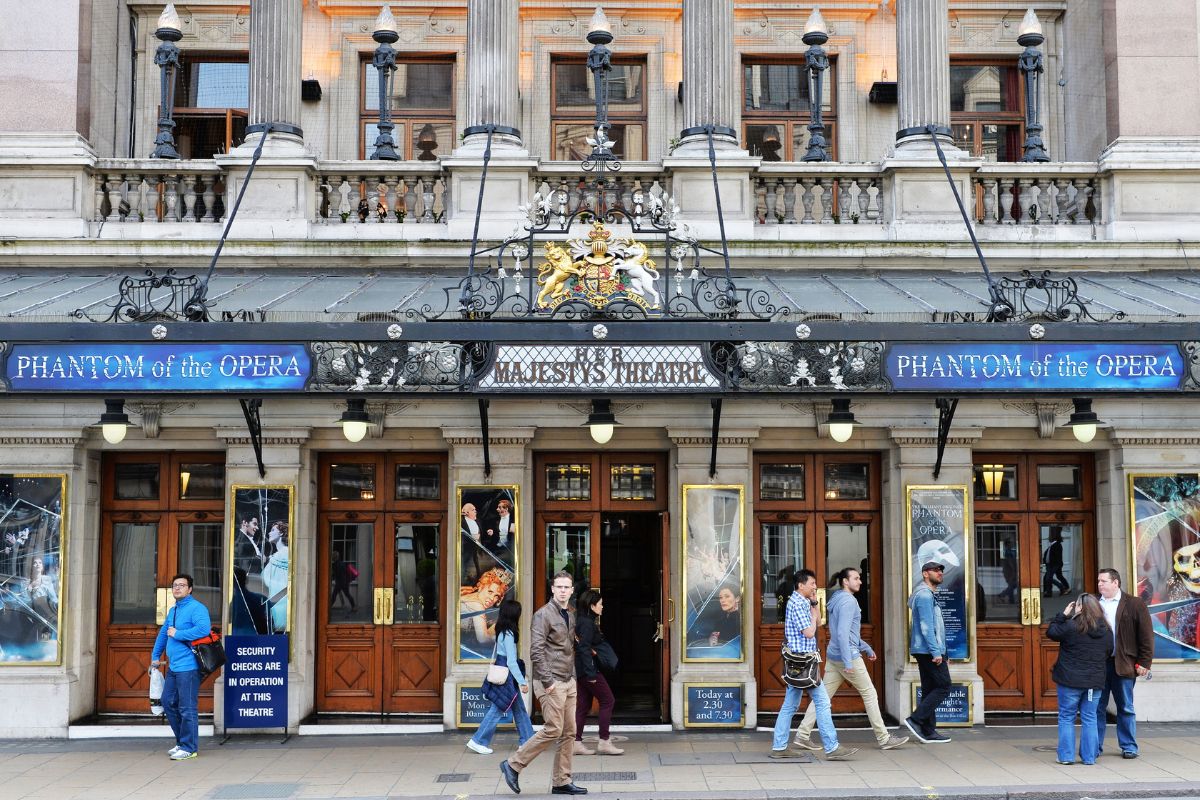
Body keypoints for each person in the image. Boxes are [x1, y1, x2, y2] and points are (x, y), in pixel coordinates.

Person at [794, 568, 908, 751]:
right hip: (848, 656)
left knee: (822, 697)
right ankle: (884, 738)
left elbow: (845, 632)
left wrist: (866, 647)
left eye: (859, 578)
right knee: (870, 694)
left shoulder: (838, 598)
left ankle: (802, 734)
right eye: (856, 578)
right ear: (845, 582)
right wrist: (848, 661)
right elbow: (843, 633)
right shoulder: (848, 601)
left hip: (834, 655)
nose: (860, 581)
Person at [500, 571, 587, 796]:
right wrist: (548, 682)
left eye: (566, 587)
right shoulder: (543, 615)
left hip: (568, 680)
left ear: (572, 590)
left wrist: (574, 677)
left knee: (569, 732)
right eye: (559, 587)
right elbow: (536, 651)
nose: (562, 591)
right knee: (554, 728)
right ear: (552, 589)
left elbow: (568, 648)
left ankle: (561, 781)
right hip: (551, 681)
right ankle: (513, 764)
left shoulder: (570, 613)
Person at [769, 568, 857, 761]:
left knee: (790, 705)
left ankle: (779, 746)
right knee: (823, 702)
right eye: (812, 584)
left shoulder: (804, 602)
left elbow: (818, 623)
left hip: (801, 662)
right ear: (801, 585)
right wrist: (810, 610)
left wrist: (815, 603)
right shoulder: (797, 603)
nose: (815, 586)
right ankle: (832, 747)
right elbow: (809, 632)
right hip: (804, 663)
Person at [149, 573, 212, 761]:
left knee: (187, 707)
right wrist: (155, 656)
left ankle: (189, 747)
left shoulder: (197, 608)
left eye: (182, 585)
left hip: (189, 667)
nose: (177, 588)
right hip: (174, 667)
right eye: (175, 585)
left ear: (190, 589)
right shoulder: (174, 610)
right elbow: (163, 635)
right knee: (167, 702)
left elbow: (204, 629)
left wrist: (179, 633)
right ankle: (182, 742)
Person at [1096, 567, 1154, 759]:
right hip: (1099, 665)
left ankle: (1129, 746)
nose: (1099, 584)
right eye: (1099, 581)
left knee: (1126, 707)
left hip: (1125, 663)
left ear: (1116, 582)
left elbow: (1146, 636)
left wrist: (1145, 662)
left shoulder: (1134, 604)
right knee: (1097, 708)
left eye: (1103, 581)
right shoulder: (1094, 604)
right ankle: (1094, 747)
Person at [1047, 593, 1112, 765]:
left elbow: (1051, 632)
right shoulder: (1106, 630)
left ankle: (1067, 757)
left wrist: (1062, 615)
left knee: (1067, 717)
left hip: (1070, 681)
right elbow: (1108, 652)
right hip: (1094, 682)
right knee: (1090, 717)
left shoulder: (1070, 626)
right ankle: (1089, 757)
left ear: (1080, 608)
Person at [468, 599, 534, 754]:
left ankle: (528, 740)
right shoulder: (509, 633)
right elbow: (511, 662)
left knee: (519, 709)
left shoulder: (501, 631)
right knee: (497, 709)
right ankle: (478, 740)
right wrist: (522, 681)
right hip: (507, 676)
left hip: (503, 673)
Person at [906, 560, 952, 743]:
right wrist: (936, 652)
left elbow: (937, 628)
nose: (940, 572)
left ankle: (928, 731)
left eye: (941, 570)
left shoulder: (928, 595)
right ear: (925, 574)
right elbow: (927, 627)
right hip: (927, 651)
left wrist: (943, 652)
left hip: (927, 650)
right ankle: (916, 719)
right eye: (935, 570)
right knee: (944, 686)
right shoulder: (924, 596)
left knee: (930, 688)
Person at [573, 588, 622, 756]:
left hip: (582, 671)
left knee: (583, 706)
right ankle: (604, 741)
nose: (602, 607)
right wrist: (591, 674)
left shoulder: (581, 620)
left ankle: (576, 742)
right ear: (592, 605)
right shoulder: (586, 623)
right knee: (608, 700)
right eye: (600, 604)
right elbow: (584, 649)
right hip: (588, 671)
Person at [460, 567, 512, 658]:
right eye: (490, 591)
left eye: (497, 596)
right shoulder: (477, 605)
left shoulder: (469, 595)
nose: (492, 599)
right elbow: (483, 639)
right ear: (481, 587)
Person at [261, 521, 289, 633]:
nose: (269, 533)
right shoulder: (277, 556)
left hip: (280, 603)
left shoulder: (283, 555)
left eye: (273, 530)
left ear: (281, 533)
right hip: (276, 601)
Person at [230, 567, 269, 635]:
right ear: (246, 580)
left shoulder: (232, 603)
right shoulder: (261, 599)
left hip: (236, 640)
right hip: (258, 641)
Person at [1043, 528, 1070, 598]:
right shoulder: (1051, 545)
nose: (1048, 538)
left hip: (1054, 565)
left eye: (1050, 537)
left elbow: (1057, 557)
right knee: (1053, 577)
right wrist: (1045, 561)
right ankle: (1048, 591)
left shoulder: (1057, 545)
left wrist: (1055, 565)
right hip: (1049, 564)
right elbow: (1047, 554)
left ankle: (1062, 587)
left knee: (1048, 578)